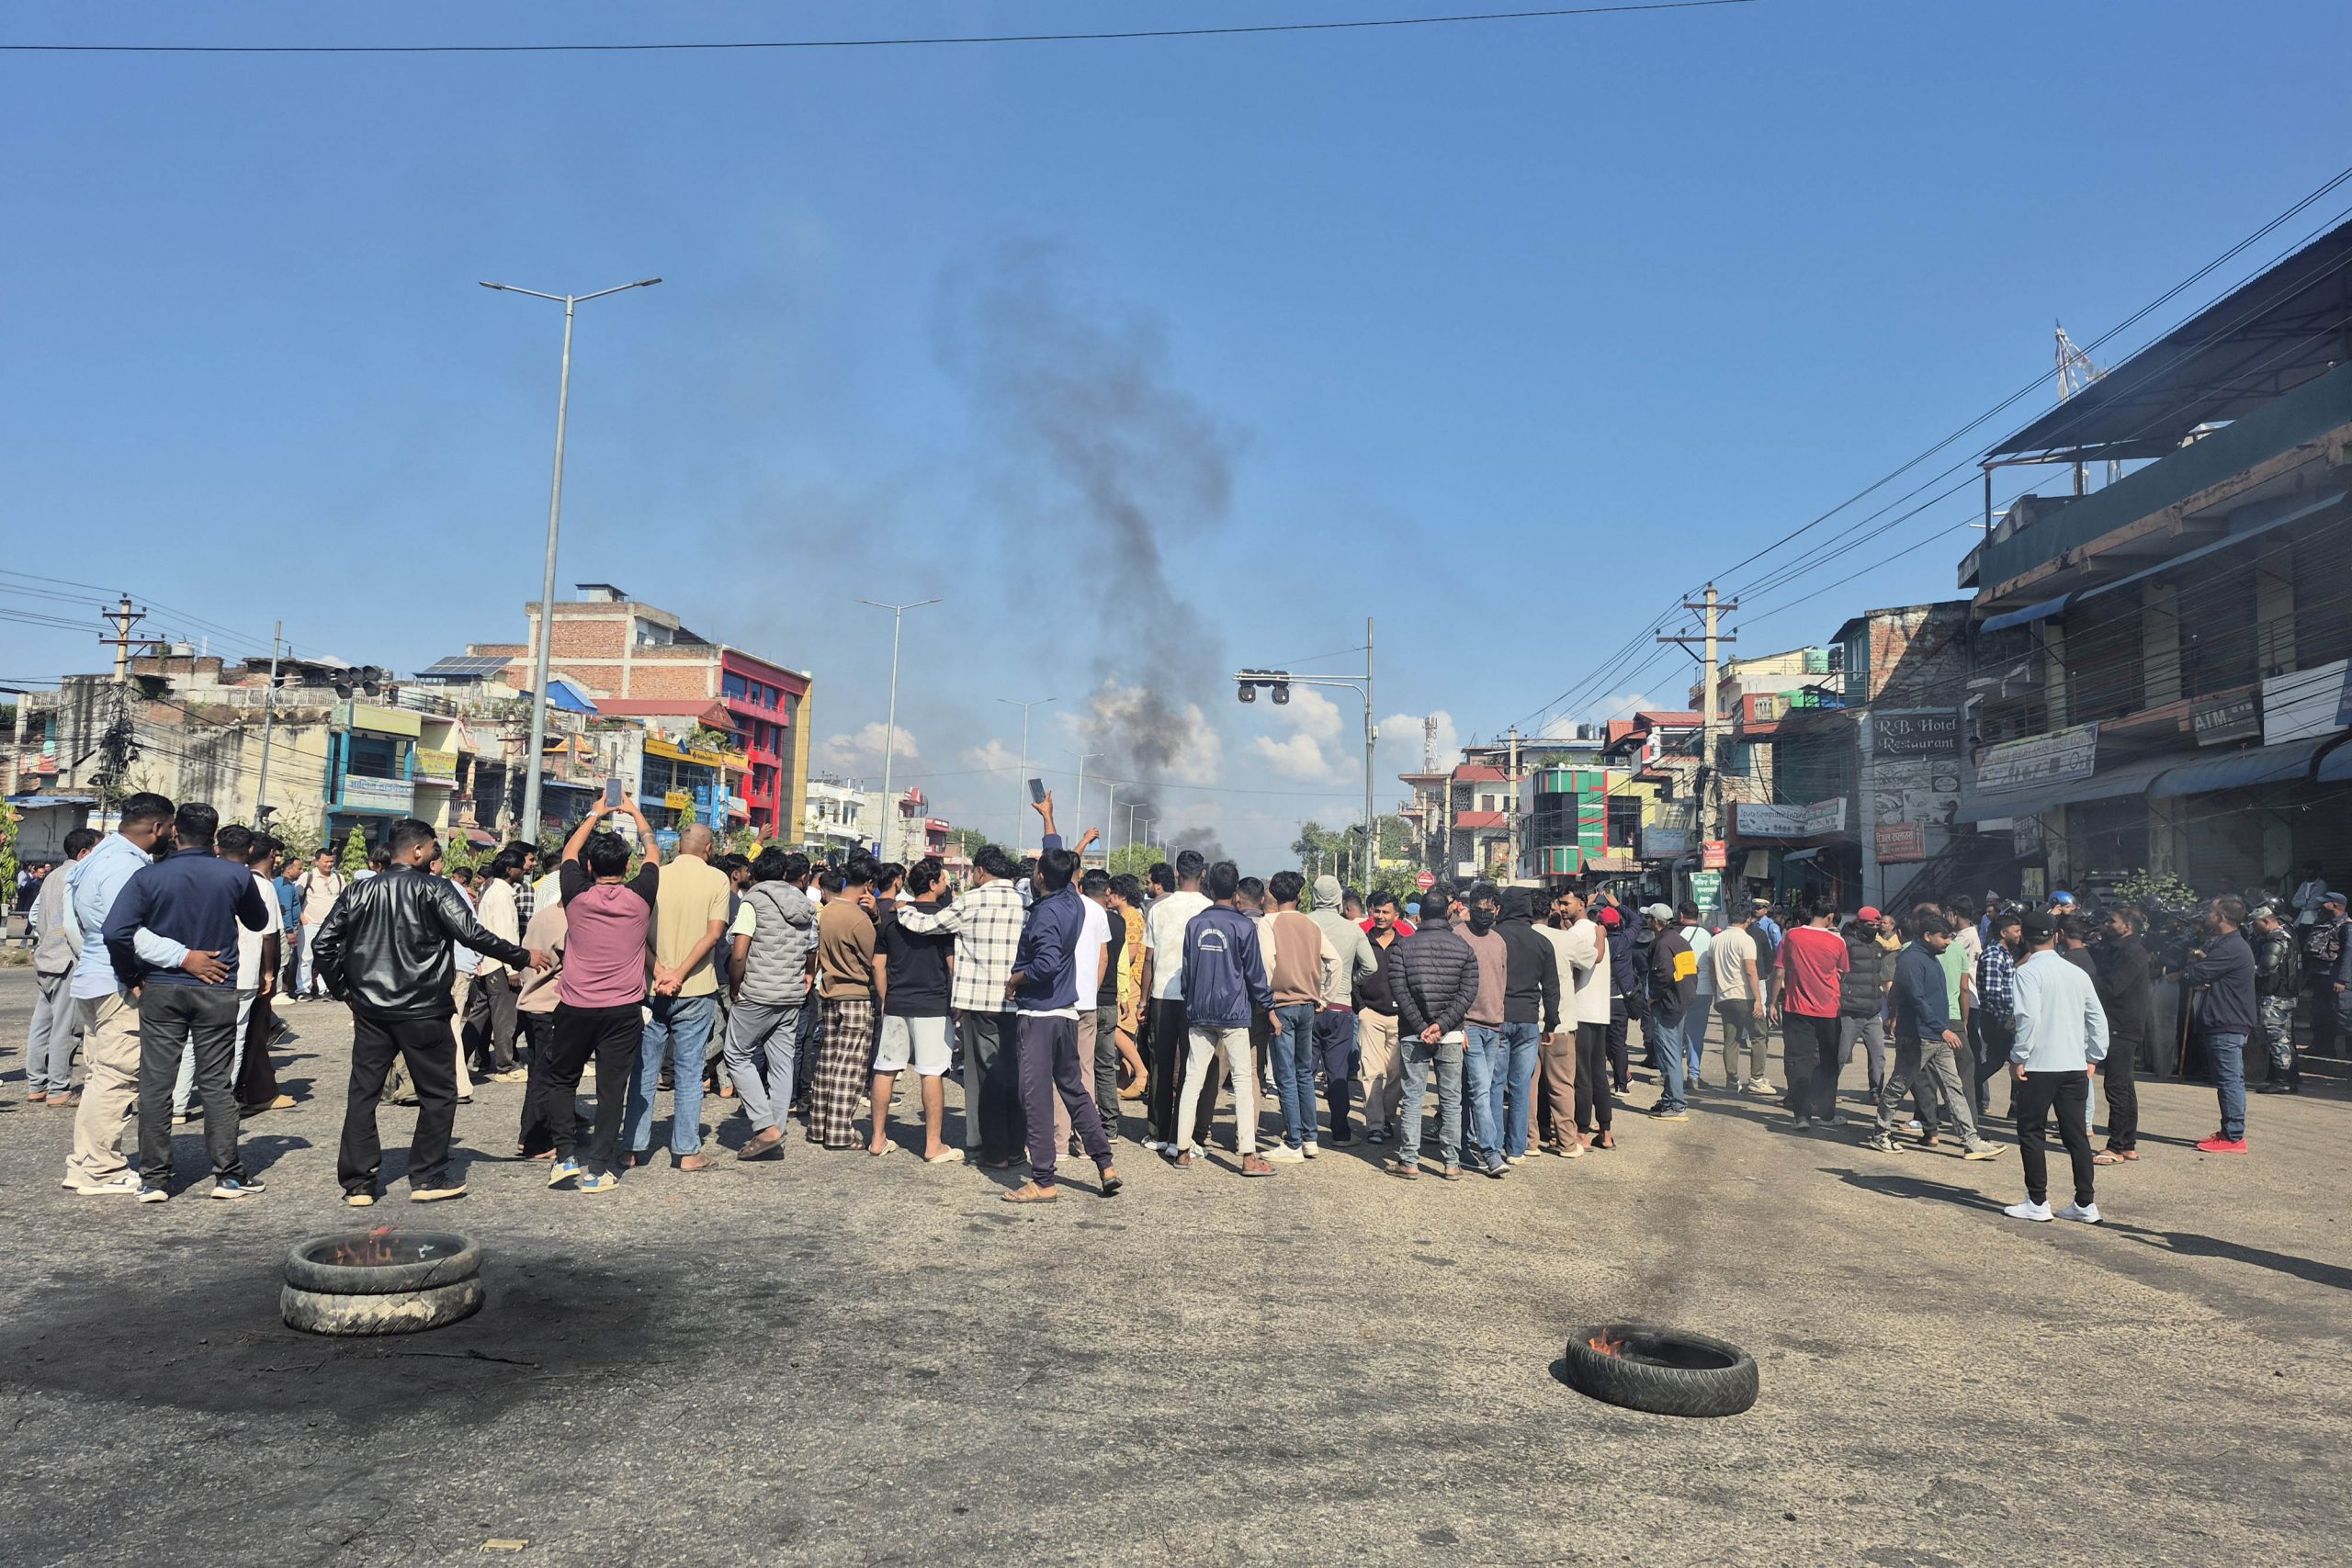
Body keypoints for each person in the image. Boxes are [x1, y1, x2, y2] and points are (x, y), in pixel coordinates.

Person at [312, 816, 543, 1205]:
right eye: (434, 848)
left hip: (371, 1012)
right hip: (424, 1009)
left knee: (363, 1094)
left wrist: (345, 991)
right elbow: (472, 934)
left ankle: (359, 1184)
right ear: (418, 850)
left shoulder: (359, 890)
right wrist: (523, 956)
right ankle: (427, 1177)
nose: (436, 855)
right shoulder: (435, 888)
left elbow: (323, 944)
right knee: (438, 1094)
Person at [104, 803, 274, 1202]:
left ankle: (155, 1178)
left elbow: (115, 931)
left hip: (162, 986)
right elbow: (258, 921)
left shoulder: (148, 875)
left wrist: (131, 976)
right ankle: (228, 1175)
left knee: (156, 1083)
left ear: (175, 832)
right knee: (216, 1083)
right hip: (217, 985)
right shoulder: (236, 874)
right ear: (214, 836)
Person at [537, 796, 661, 1191]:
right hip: (623, 1008)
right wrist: (634, 812)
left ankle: (564, 1156)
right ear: (627, 867)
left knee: (562, 1080)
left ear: (590, 867)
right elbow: (653, 851)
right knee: (612, 1090)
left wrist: (596, 813)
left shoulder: (576, 894)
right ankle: (599, 1169)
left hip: (575, 1004)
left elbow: (569, 851)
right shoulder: (641, 895)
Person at [59, 793, 179, 1196]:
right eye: (170, 827)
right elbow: (124, 931)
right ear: (158, 827)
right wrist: (185, 956)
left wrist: (89, 959)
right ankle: (100, 1169)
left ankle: (86, 1163)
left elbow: (75, 923)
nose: (172, 835)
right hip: (116, 981)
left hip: (93, 976)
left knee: (101, 1076)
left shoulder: (97, 857)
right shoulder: (125, 865)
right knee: (118, 1077)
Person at [1001, 795, 1120, 1202]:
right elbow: (1059, 857)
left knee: (1036, 1097)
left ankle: (1044, 1180)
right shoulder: (1071, 899)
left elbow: (1047, 964)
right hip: (1068, 1014)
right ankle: (1105, 1163)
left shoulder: (1046, 914)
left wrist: (1016, 978)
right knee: (1074, 1090)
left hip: (1040, 1016)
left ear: (1039, 877)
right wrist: (1048, 818)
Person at [895, 842, 1029, 1165]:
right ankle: (1016, 1147)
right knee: (1014, 1074)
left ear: (980, 871)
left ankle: (995, 1151)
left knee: (989, 1077)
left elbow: (928, 926)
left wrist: (904, 909)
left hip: (982, 1001)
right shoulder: (1025, 901)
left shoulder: (972, 900)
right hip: (1019, 999)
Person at [625, 822, 732, 1170]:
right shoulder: (717, 879)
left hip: (651, 988)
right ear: (709, 848)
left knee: (644, 1069)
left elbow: (636, 934)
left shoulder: (654, 875)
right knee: (689, 1071)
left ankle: (632, 1147)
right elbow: (714, 935)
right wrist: (680, 974)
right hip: (696, 988)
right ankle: (686, 1150)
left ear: (679, 846)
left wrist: (661, 972)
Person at [1865, 911, 2000, 1160]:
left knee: (1954, 1087)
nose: (1948, 942)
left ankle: (1971, 1140)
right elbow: (1916, 998)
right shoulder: (1911, 960)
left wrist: (1942, 1029)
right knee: (1899, 1085)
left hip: (1938, 1037)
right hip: (1917, 1037)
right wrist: (1941, 1028)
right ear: (1927, 936)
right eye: (1944, 937)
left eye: (1950, 937)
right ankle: (1880, 1133)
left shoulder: (1931, 957)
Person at [1170, 859, 1274, 1177]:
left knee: (1193, 1079)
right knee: (1242, 1081)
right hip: (1234, 1013)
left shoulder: (1195, 924)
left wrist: (1191, 1000)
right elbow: (1255, 974)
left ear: (1209, 887)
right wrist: (1269, 1007)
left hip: (1199, 1012)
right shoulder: (1244, 926)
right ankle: (1248, 1156)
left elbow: (1187, 972)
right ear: (1237, 893)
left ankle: (1183, 1150)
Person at [2003, 912, 2108, 1224]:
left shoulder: (2027, 972)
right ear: (2057, 936)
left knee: (2031, 1132)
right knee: (2076, 1134)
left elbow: (2028, 1017)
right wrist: (2094, 1056)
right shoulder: (2077, 972)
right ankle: (2085, 1202)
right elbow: (2097, 1018)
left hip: (2039, 1065)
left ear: (2024, 938)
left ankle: (2038, 1201)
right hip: (2074, 1064)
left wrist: (2018, 1056)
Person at [724, 849, 819, 1161]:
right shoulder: (804, 904)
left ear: (754, 874)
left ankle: (765, 1127)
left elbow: (739, 953)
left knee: (736, 1054)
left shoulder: (754, 901)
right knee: (782, 1064)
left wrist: (735, 987)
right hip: (791, 994)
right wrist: (807, 976)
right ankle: (776, 1133)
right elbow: (812, 948)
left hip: (757, 992)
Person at [1385, 886, 1482, 1180]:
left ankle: (1409, 1161)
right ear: (1448, 912)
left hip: (1413, 1034)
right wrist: (1443, 1025)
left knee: (1413, 1098)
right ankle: (1451, 1163)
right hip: (1450, 1035)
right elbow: (1468, 991)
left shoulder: (1403, 947)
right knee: (1451, 1100)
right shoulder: (1463, 948)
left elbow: (1399, 990)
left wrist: (1422, 1026)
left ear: (1421, 914)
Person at [869, 858, 957, 1162]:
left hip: (897, 1002)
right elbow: (952, 966)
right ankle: (933, 1145)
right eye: (943, 879)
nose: (946, 884)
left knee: (885, 1068)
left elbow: (878, 964)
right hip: (932, 1004)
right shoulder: (943, 921)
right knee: (931, 1072)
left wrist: (885, 997)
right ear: (932, 884)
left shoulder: (893, 918)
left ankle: (877, 1138)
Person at [1260, 870, 1340, 1162]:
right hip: (1308, 1005)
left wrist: (1266, 1003)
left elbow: (1267, 961)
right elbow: (1335, 962)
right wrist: (1325, 998)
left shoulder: (1268, 923)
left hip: (1281, 1006)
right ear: (1300, 895)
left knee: (1285, 1075)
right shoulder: (1311, 924)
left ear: (1272, 893)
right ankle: (1310, 1138)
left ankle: (1293, 1142)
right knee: (1304, 1073)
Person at [1137, 850, 1215, 1156]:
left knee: (1162, 1062)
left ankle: (1157, 1131)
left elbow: (1149, 958)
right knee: (1192, 1066)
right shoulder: (1210, 909)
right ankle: (1183, 1134)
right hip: (1198, 997)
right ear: (1203, 874)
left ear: (1176, 874)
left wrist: (1142, 1000)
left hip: (1162, 994)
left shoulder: (1158, 908)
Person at [808, 859, 880, 1152]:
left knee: (828, 1060)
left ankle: (818, 1125)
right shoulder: (859, 919)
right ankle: (839, 1132)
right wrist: (875, 917)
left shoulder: (828, 911)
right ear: (869, 885)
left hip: (829, 990)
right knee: (848, 1066)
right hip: (855, 993)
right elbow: (874, 957)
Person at [25, 826, 99, 1107]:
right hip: (69, 960)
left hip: (46, 957)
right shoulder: (81, 875)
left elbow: (34, 915)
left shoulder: (53, 875)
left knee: (42, 1025)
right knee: (66, 1028)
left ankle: (36, 1085)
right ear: (84, 852)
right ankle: (59, 1089)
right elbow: (75, 924)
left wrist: (47, 937)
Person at [2179, 897, 2258, 1153]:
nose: (2207, 916)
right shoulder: (2226, 944)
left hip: (2227, 1021)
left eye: (2211, 912)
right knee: (2229, 1079)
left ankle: (2233, 1136)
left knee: (2229, 1081)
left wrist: (2192, 968)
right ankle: (2229, 1131)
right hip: (2224, 1019)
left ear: (2222, 916)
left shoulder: (2231, 946)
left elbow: (2197, 974)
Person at [1306, 873, 1378, 1146]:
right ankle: (1340, 1131)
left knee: (1305, 1071)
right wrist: (1351, 979)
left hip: (1309, 1003)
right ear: (1338, 898)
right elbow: (1371, 966)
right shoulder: (1352, 929)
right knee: (1337, 1072)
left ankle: (1303, 1131)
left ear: (1314, 896)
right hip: (1341, 1006)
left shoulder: (1305, 923)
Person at [1493, 887, 1562, 1153]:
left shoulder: (1494, 937)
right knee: (1521, 1086)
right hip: (1529, 1019)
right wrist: (1551, 1024)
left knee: (1496, 1084)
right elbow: (1551, 988)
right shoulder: (1542, 942)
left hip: (1497, 1018)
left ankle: (1494, 1144)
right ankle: (1517, 1148)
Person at [1773, 897, 1849, 1128]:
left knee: (1799, 1061)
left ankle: (1801, 1116)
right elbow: (1842, 972)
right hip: (1829, 1010)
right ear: (1830, 917)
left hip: (1796, 1008)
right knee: (1828, 1062)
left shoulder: (1792, 935)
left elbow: (1779, 972)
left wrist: (1771, 1002)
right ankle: (1826, 1114)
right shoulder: (1837, 941)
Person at [2089, 904, 2151, 1165]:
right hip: (2120, 1024)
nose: (2107, 925)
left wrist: (2086, 979)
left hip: (2122, 1026)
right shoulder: (2119, 949)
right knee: (2125, 1086)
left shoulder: (2132, 953)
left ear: (2127, 927)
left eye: (2112, 921)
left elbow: (2112, 986)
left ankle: (2115, 1146)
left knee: (2116, 1087)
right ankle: (2127, 1144)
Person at [512, 890, 569, 1158]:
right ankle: (537, 1140)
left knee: (537, 1073)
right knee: (548, 1076)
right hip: (550, 1004)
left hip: (530, 1002)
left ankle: (529, 1134)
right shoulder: (569, 923)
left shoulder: (542, 916)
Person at [465, 848, 529, 1081]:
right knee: (505, 1018)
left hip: (488, 963)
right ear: (510, 870)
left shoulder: (491, 890)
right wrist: (512, 968)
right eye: (521, 867)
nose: (525, 870)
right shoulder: (502, 896)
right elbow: (505, 935)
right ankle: (506, 1066)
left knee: (479, 1016)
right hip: (500, 965)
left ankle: (460, 1061)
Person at [1530, 890, 1586, 1156]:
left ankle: (1528, 1141)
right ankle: (1566, 1142)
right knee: (1562, 1086)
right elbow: (1592, 958)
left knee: (1526, 1086)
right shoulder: (1565, 939)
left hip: (1526, 1022)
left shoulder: (1517, 938)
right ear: (1550, 911)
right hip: (1561, 1024)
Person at [1354, 891, 1409, 1143]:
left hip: (1399, 1018)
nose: (1380, 916)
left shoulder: (1405, 944)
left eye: (1386, 912)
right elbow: (1352, 975)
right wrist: (1361, 1007)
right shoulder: (1362, 942)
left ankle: (1388, 1118)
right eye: (1376, 911)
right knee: (1371, 1072)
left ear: (1396, 915)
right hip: (1371, 1015)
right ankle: (1375, 1125)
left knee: (1396, 1073)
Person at [1710, 905, 1770, 1096]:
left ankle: (1732, 1079)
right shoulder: (1746, 940)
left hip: (1725, 996)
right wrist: (1758, 1000)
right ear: (1748, 920)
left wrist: (1716, 994)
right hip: (1745, 996)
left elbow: (1712, 971)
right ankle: (1757, 1078)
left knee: (1731, 1040)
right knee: (1758, 1036)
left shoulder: (1716, 940)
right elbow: (1751, 971)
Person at [1642, 903, 1694, 1121]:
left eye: (1648, 918)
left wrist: (1653, 996)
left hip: (1666, 1004)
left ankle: (1676, 1105)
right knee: (1672, 1054)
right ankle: (1669, 1099)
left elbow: (1662, 974)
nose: (1646, 921)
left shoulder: (1663, 943)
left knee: (1670, 1056)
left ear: (1655, 921)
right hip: (1680, 1002)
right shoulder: (1679, 940)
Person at [1837, 906, 1892, 1100]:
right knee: (1841, 1054)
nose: (1875, 928)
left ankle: (1876, 1092)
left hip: (1873, 1011)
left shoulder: (1877, 946)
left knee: (1878, 1055)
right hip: (1850, 1009)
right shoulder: (1846, 943)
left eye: (1877, 925)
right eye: (1870, 925)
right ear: (1859, 924)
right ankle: (1827, 1090)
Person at [2249, 903, 2302, 1094]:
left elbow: (2267, 968)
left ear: (2265, 921)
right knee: (2284, 1038)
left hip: (2275, 997)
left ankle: (2282, 1081)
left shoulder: (2275, 939)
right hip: (2285, 994)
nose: (2253, 928)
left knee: (2277, 1038)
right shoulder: (2288, 936)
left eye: (2255, 924)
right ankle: (2290, 1078)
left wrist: (2243, 969)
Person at [1974, 908, 2023, 1117]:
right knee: (1997, 1061)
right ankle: (1963, 1090)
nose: (2019, 935)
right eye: (2016, 931)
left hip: (2004, 1017)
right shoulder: (1994, 955)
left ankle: (2016, 1108)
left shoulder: (2005, 954)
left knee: (2015, 1061)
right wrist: (2005, 1020)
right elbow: (1993, 994)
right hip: (1997, 1020)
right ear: (2004, 933)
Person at [1106, 874, 1148, 1097]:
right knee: (1126, 1033)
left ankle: (1141, 1072)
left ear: (1122, 896)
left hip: (1131, 980)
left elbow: (1131, 952)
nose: (1107, 896)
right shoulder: (1128, 916)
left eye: (1112, 892)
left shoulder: (1130, 917)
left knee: (1116, 1030)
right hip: (1132, 980)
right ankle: (1124, 1081)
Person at [2298, 887, 2347, 1062]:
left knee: (2331, 1014)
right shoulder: (2322, 922)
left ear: (2334, 905)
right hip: (2318, 974)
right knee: (2318, 1013)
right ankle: (2319, 1045)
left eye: (2324, 902)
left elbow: (2348, 955)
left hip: (2332, 976)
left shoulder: (2346, 926)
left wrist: (2342, 979)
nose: (2320, 905)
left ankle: (2329, 1048)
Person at [294, 847, 345, 998]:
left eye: (331, 861)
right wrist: (302, 917)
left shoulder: (339, 878)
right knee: (306, 958)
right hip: (310, 923)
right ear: (317, 862)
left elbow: (343, 901)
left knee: (328, 957)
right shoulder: (307, 877)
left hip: (331, 926)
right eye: (326, 861)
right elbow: (296, 899)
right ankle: (303, 989)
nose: (329, 864)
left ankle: (326, 989)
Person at [1675, 901, 1713, 1089]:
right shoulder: (1708, 936)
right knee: (1696, 1034)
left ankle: (1672, 1074)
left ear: (1681, 915)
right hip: (1704, 990)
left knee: (1676, 1033)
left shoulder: (1677, 935)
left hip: (1681, 989)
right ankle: (1694, 1074)